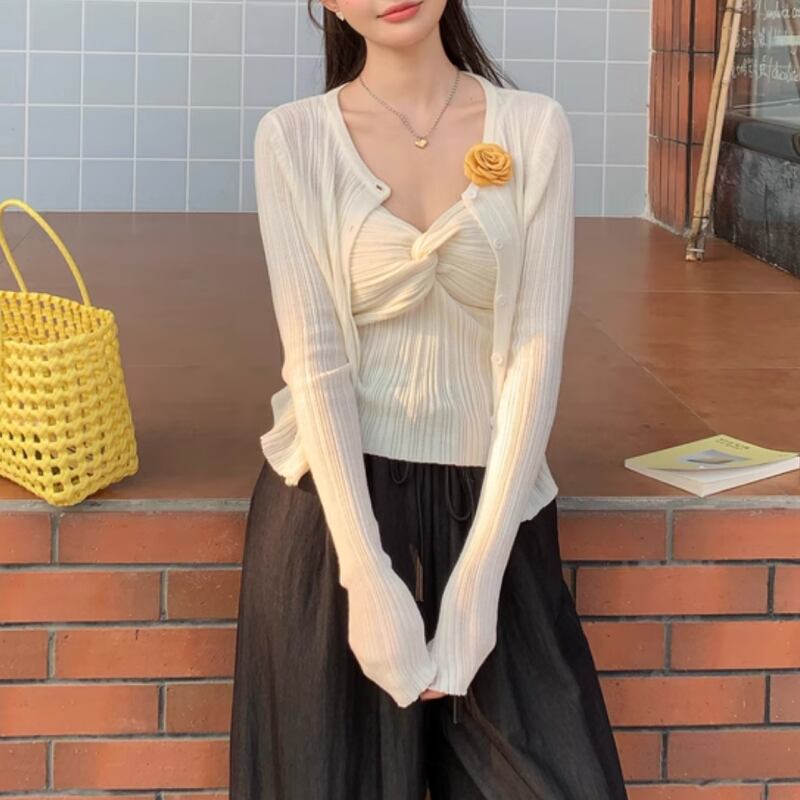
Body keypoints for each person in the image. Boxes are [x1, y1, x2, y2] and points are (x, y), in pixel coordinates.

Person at [229, 0, 629, 796]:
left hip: (494, 510)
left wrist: (478, 582)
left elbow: (535, 350)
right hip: (332, 518)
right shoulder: (293, 138)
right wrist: (367, 579)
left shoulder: (534, 128)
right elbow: (316, 360)